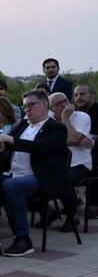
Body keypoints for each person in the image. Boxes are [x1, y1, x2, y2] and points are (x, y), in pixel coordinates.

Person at [0, 89, 69, 257]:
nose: (27, 110)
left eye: (31, 105)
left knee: (11, 186)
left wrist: (8, 139)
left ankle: (23, 239)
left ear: (45, 105)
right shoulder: (24, 125)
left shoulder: (57, 128)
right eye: (25, 107)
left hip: (41, 177)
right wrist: (1, 145)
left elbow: (38, 147)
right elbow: (12, 144)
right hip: (14, 172)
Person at [48, 92, 93, 232]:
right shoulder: (48, 119)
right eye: (58, 103)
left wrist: (65, 118)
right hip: (55, 163)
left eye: (65, 101)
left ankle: (72, 216)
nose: (64, 104)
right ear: (50, 108)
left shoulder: (82, 117)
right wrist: (71, 140)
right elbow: (73, 140)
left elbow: (73, 139)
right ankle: (50, 211)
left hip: (79, 164)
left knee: (63, 178)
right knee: (32, 175)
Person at [75, 85, 98, 218]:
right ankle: (72, 202)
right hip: (81, 151)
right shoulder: (76, 113)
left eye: (82, 94)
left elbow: (93, 138)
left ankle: (94, 204)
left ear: (93, 96)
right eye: (76, 95)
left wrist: (82, 139)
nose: (79, 98)